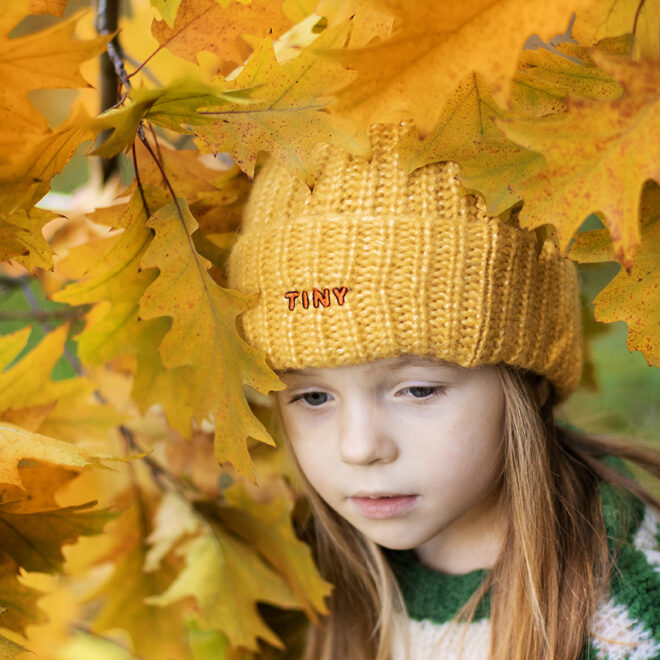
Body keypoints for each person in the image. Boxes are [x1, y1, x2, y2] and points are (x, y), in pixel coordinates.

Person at [227, 123, 660, 660]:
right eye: (313, 397)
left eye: (417, 390)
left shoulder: (626, 617)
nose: (359, 448)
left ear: (531, 384)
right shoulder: (305, 585)